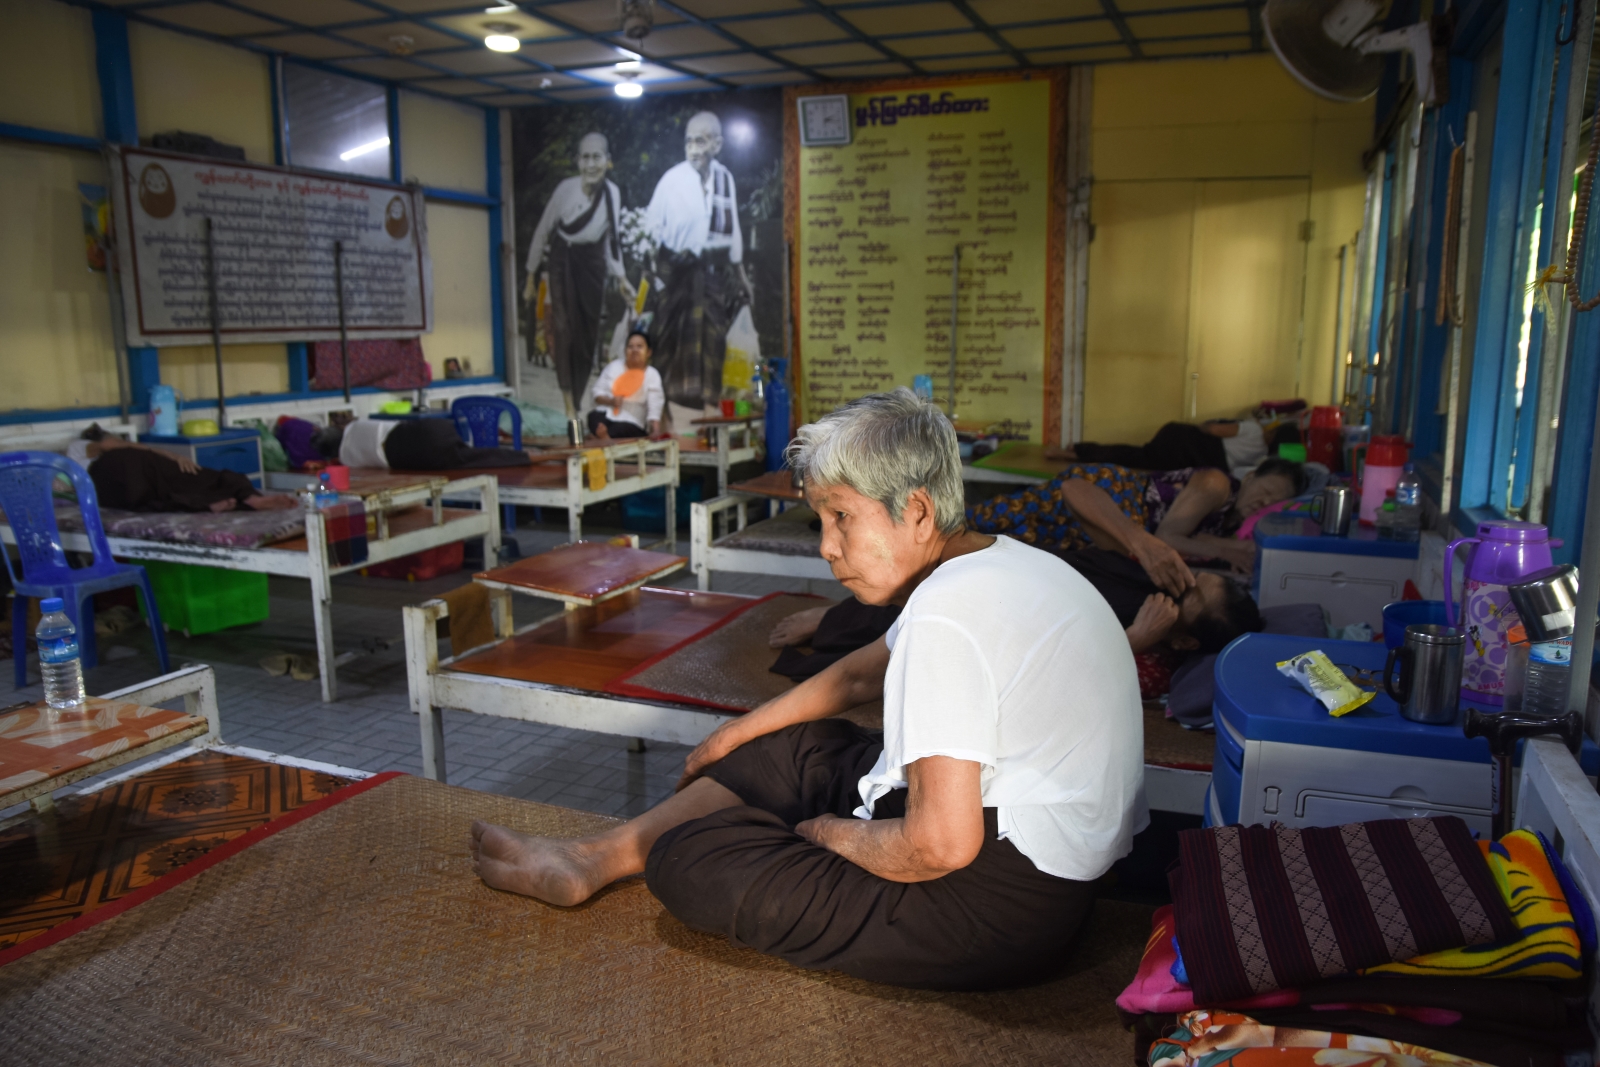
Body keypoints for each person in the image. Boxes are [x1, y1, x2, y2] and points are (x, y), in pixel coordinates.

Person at [470, 389, 1146, 991]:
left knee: (687, 860)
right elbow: (856, 673)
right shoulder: (1003, 560)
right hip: (1052, 857)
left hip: (998, 909)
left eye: (842, 517)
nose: (826, 546)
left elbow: (940, 846)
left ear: (914, 510)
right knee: (787, 745)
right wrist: (731, 737)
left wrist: (831, 834)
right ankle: (592, 857)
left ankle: (726, 839)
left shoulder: (949, 613)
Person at [768, 547, 1262, 681]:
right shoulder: (1151, 577)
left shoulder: (1152, 647)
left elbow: (1050, 662)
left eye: (1189, 598)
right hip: (1031, 568)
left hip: (1016, 616)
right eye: (1193, 578)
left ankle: (834, 622)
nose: (1181, 586)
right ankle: (840, 615)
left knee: (942, 614)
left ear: (1186, 642)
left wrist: (1132, 638)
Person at [967, 457, 1306, 584]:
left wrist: (1227, 547)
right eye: (1265, 489)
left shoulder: (1230, 522)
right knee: (987, 520)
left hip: (1105, 528)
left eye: (1273, 501)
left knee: (1005, 546)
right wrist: (1231, 552)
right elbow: (1169, 536)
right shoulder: (1215, 484)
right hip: (1108, 497)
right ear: (1250, 478)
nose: (1263, 501)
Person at [644, 111, 754, 413]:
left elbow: (733, 233)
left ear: (717, 145)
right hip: (675, 274)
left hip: (710, 276)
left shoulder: (724, 178)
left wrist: (741, 277)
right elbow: (651, 228)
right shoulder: (672, 179)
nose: (694, 148)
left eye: (701, 141)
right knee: (667, 342)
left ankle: (707, 406)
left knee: (713, 338)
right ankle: (669, 409)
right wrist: (653, 272)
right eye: (689, 141)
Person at [523, 132, 633, 411]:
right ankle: (568, 402)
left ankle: (578, 396)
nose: (591, 164)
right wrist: (530, 276)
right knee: (563, 328)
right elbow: (543, 231)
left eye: (597, 157)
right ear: (577, 162)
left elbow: (613, 240)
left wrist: (621, 278)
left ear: (608, 161)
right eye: (585, 157)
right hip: (563, 259)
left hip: (593, 263)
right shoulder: (565, 189)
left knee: (587, 337)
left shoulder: (613, 193)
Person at [68, 428, 296, 513]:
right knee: (198, 479)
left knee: (178, 487)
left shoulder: (129, 455)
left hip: (139, 481)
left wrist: (166, 457)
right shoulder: (79, 449)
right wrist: (163, 453)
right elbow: (109, 446)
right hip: (121, 479)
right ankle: (246, 496)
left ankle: (243, 499)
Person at [1053, 419, 1267, 476]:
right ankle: (1076, 452)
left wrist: (1203, 425)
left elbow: (1212, 429)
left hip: (1180, 443)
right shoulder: (1263, 456)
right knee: (1131, 457)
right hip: (1187, 456)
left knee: (1131, 455)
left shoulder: (1255, 430)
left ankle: (1075, 451)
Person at [331, 417, 532, 471]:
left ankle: (532, 457)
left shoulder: (347, 458)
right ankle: (542, 456)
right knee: (480, 454)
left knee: (482, 457)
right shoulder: (357, 426)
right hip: (433, 429)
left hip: (423, 449)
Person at [585, 329, 664, 440]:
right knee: (593, 417)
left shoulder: (652, 375)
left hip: (632, 423)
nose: (634, 350)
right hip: (607, 416)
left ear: (648, 352)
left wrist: (655, 431)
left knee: (623, 429)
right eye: (630, 347)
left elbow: (655, 406)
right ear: (625, 350)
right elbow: (597, 392)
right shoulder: (614, 367)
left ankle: (604, 438)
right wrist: (611, 401)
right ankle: (603, 437)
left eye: (639, 346)